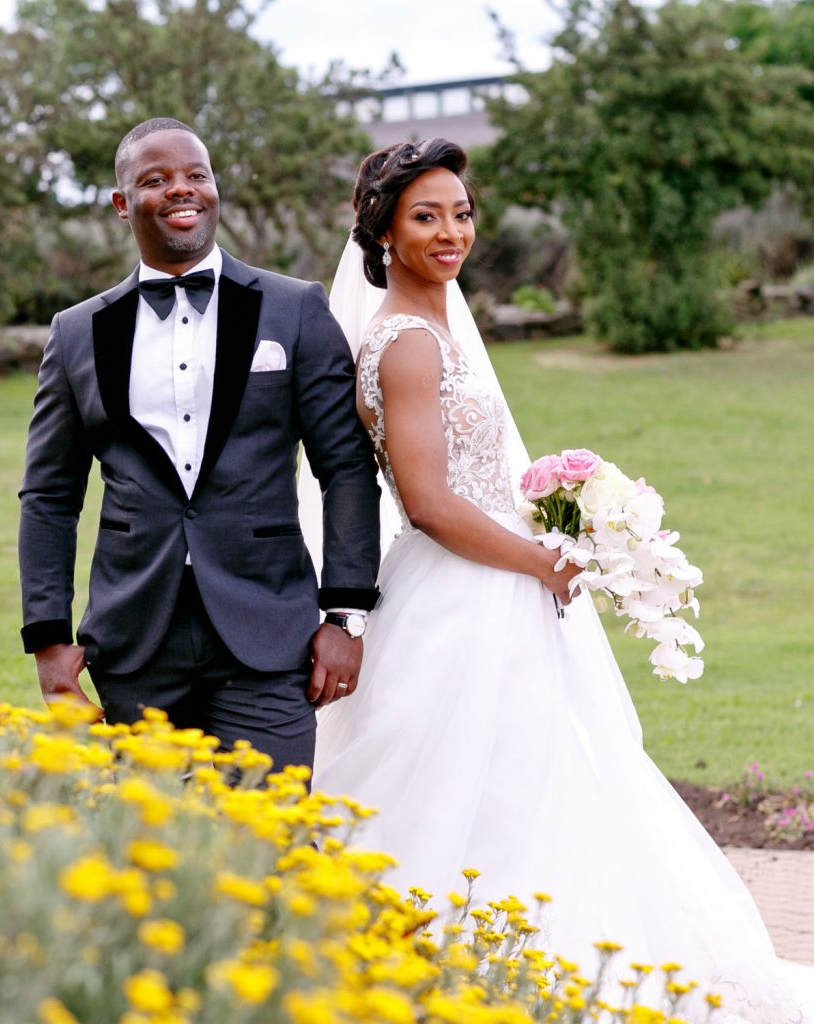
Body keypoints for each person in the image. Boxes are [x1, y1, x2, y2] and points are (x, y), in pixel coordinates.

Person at [309, 138, 814, 1021]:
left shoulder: (438, 329)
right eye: (425, 216)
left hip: (492, 587)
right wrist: (541, 558)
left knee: (535, 779)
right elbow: (427, 501)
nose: (450, 231)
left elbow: (476, 478)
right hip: (457, 599)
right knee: (469, 777)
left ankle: (521, 957)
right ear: (384, 231)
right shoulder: (405, 346)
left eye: (461, 213)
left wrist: (560, 508)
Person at [18, 118, 380, 773]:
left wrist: (345, 614)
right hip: (135, 643)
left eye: (196, 175)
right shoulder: (77, 334)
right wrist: (48, 639)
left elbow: (347, 467)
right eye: (155, 180)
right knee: (156, 855)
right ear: (122, 204)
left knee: (268, 850)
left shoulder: (293, 309)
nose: (182, 191)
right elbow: (49, 495)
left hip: (268, 633)